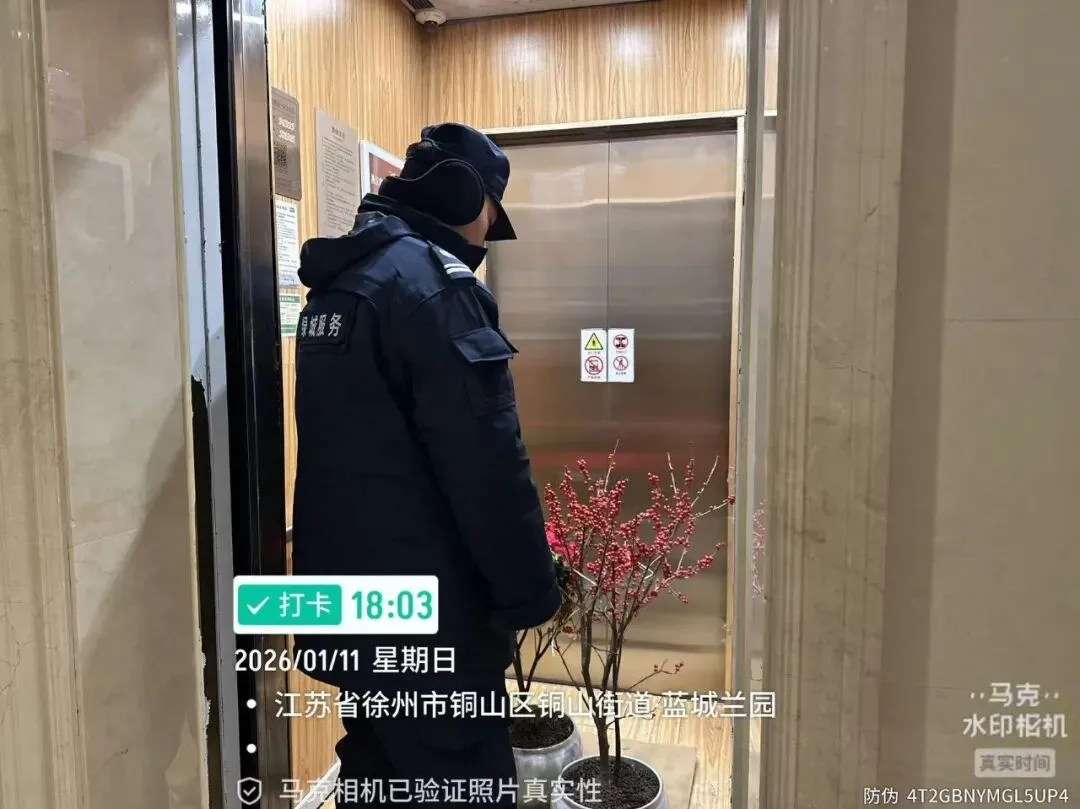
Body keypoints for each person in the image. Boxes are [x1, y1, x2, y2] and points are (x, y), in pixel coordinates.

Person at [290, 123, 561, 808]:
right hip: (433, 625)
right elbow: (488, 466)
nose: (486, 237)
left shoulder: (338, 286)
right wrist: (532, 591)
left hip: (355, 614)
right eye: (491, 217)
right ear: (469, 200)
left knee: (376, 771)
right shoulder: (435, 290)